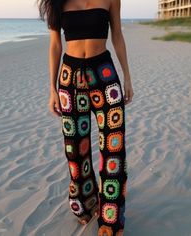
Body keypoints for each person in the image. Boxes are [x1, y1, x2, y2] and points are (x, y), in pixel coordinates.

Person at [37, 0, 134, 235]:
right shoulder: (57, 2)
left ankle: (110, 218)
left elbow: (118, 36)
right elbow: (54, 45)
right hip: (70, 79)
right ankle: (84, 203)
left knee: (114, 147)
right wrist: (51, 89)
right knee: (75, 149)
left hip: (104, 74)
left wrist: (127, 78)